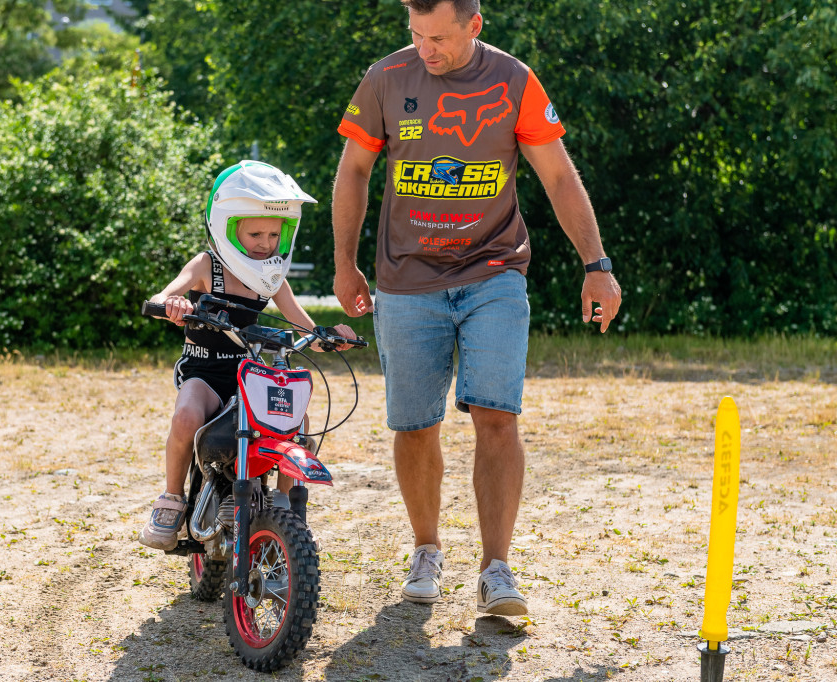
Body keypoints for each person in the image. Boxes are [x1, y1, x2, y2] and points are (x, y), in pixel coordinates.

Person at [332, 0, 621, 616]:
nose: (425, 49)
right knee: (414, 425)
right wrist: (344, 263)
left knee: (497, 416)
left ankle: (496, 570)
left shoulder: (513, 81)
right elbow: (353, 170)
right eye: (416, 35)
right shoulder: (386, 79)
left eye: (438, 37)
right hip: (406, 281)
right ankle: (427, 550)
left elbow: (559, 176)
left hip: (493, 271)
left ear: (474, 24)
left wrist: (597, 266)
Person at [139, 160, 355, 551]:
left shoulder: (271, 279)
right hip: (205, 375)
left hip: (250, 375)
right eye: (255, 232)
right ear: (228, 228)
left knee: (298, 418)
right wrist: (170, 303)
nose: (266, 242)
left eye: (275, 233)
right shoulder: (208, 265)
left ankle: (283, 504)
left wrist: (330, 337)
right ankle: (171, 497)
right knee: (186, 415)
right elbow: (164, 293)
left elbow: (303, 325)